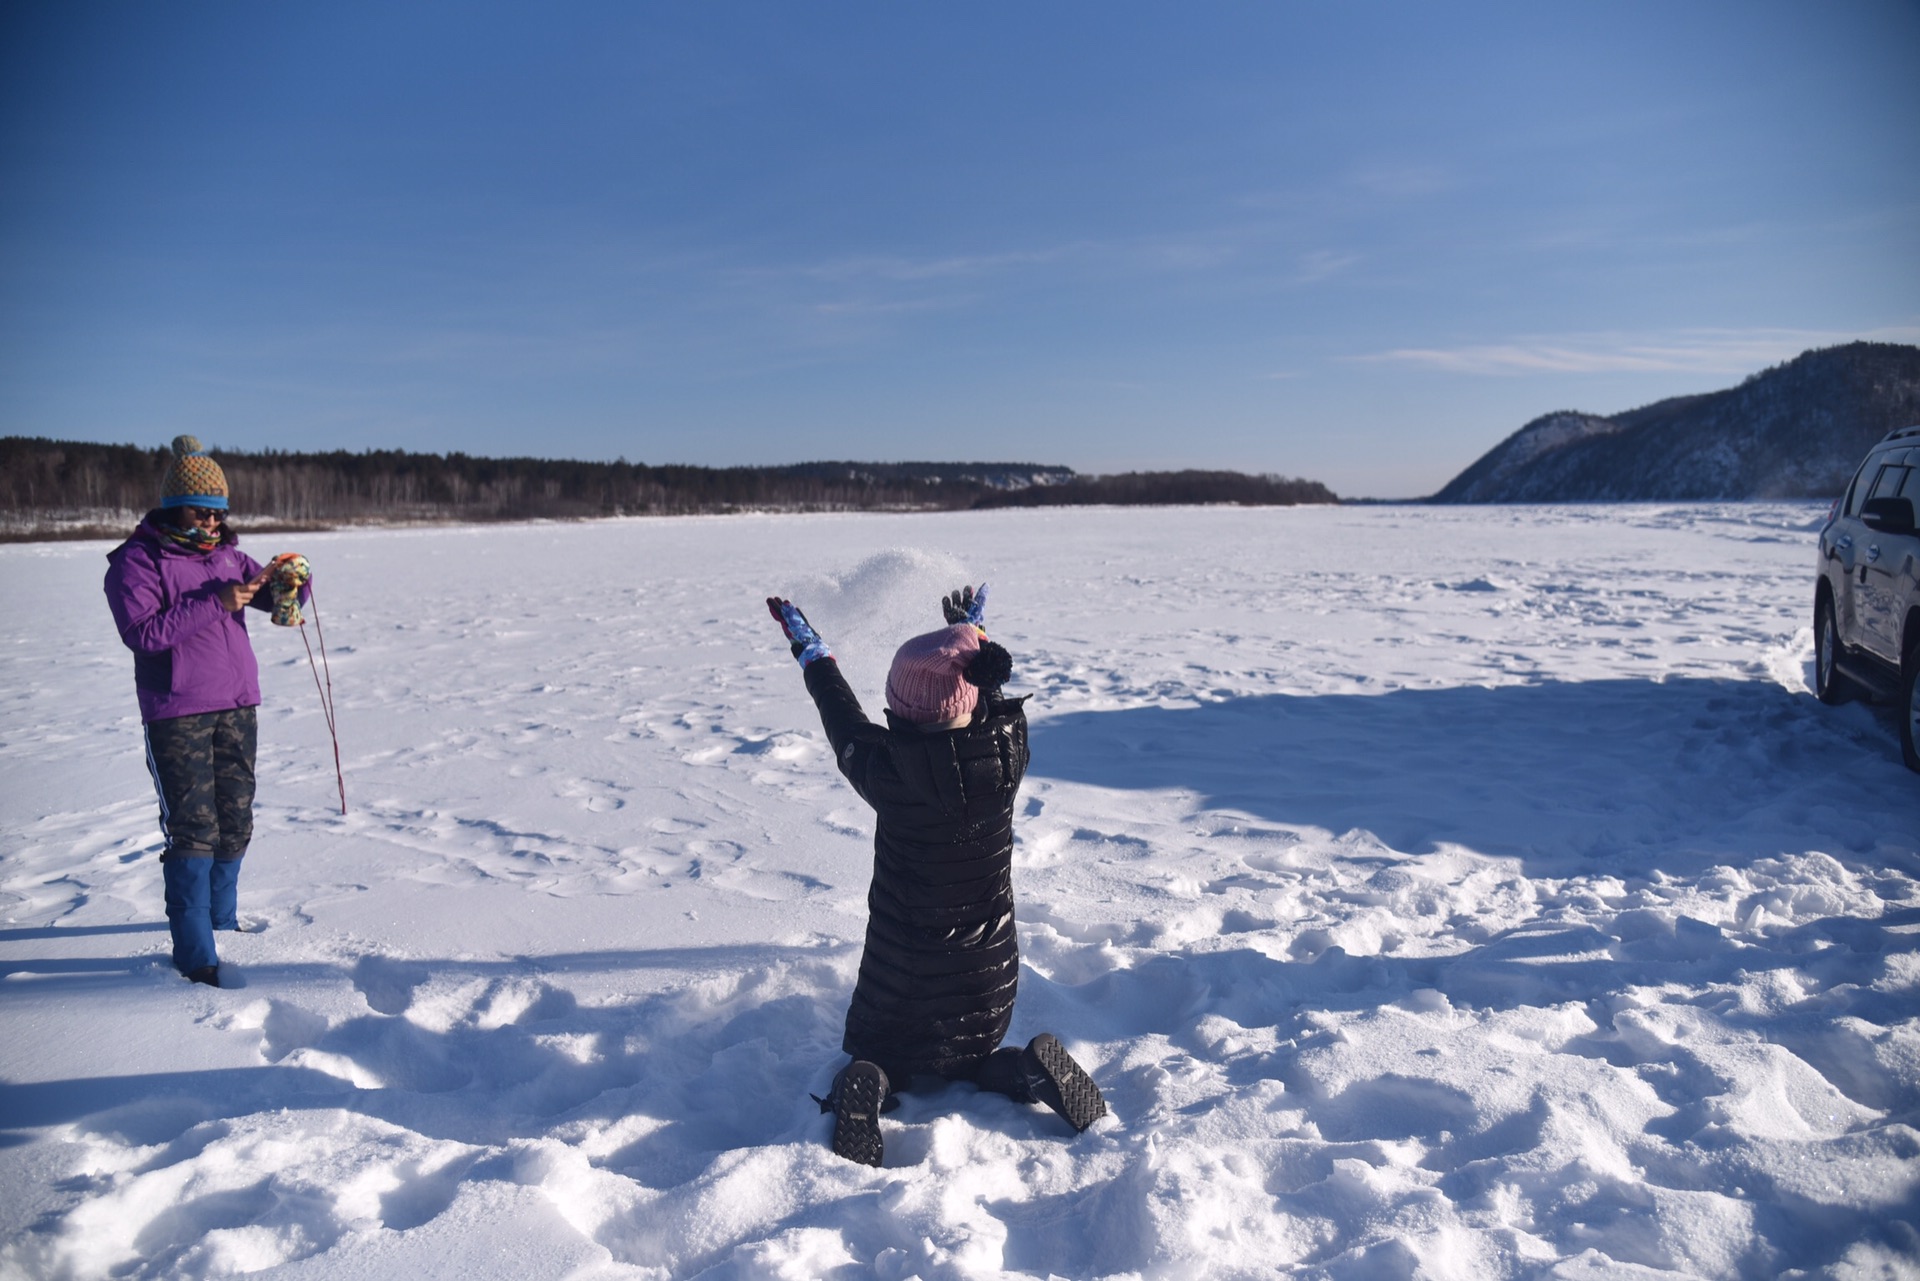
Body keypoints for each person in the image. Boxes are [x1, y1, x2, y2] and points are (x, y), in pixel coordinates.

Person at [766, 583, 1106, 1166]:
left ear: (899, 713)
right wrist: (971, 638)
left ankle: (871, 1082)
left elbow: (840, 716)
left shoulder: (890, 773)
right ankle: (1027, 1069)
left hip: (902, 985)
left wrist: (813, 652)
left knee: (883, 1054)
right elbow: (989, 698)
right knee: (974, 1060)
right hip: (988, 984)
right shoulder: (1007, 754)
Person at [102, 436, 305, 987]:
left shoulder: (230, 558)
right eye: (202, 510)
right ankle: (196, 957)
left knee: (236, 822)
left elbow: (269, 601)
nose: (213, 522)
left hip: (238, 706)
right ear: (174, 506)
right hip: (177, 711)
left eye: (220, 512)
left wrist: (290, 586)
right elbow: (142, 634)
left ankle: (224, 925)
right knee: (194, 830)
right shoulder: (135, 563)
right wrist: (214, 602)